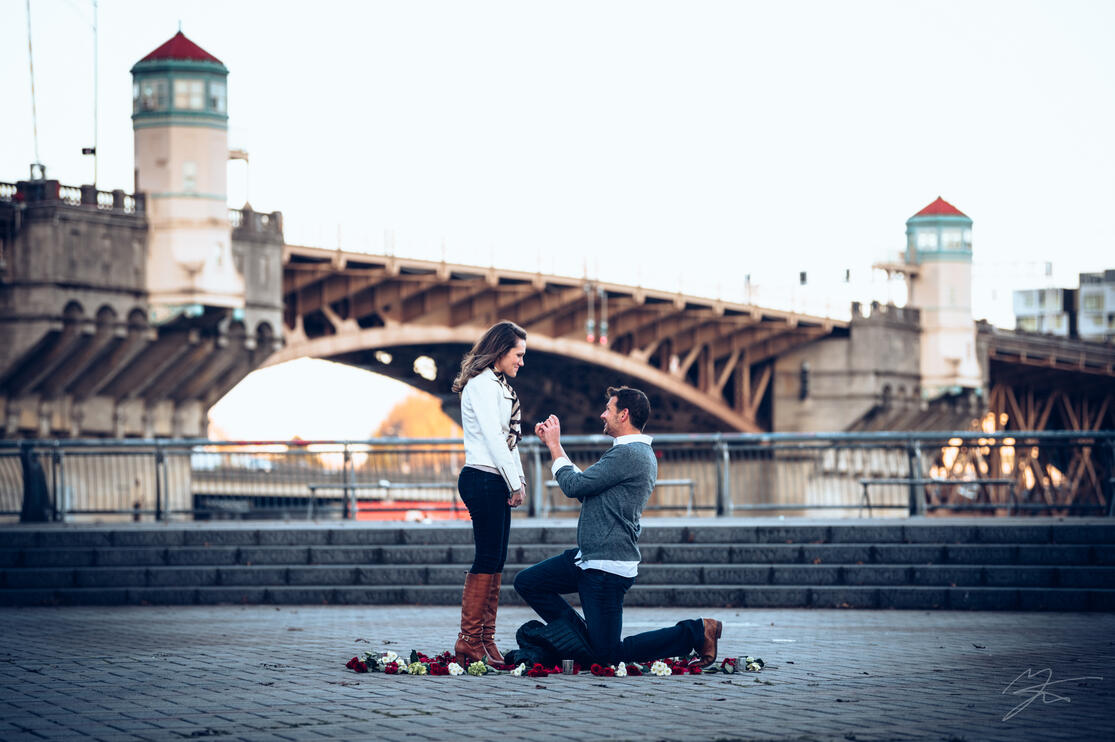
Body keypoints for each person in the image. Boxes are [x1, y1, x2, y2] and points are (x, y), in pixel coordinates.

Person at [514, 386, 722, 667]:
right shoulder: (629, 453)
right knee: (529, 582)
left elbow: (574, 486)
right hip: (589, 558)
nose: (602, 414)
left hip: (606, 567)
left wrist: (553, 445)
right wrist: (556, 447)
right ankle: (583, 641)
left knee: (608, 655)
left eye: (608, 410)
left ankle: (697, 631)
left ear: (623, 415)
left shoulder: (630, 454)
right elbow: (585, 484)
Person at [451, 320, 528, 666]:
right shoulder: (482, 386)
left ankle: (486, 638)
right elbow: (495, 440)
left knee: (496, 560)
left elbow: (509, 439)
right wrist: (513, 482)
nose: (521, 362)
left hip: (496, 479)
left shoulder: (502, 388)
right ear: (501, 350)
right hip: (482, 478)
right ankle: (469, 639)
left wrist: (519, 479)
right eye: (518, 354)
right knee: (486, 558)